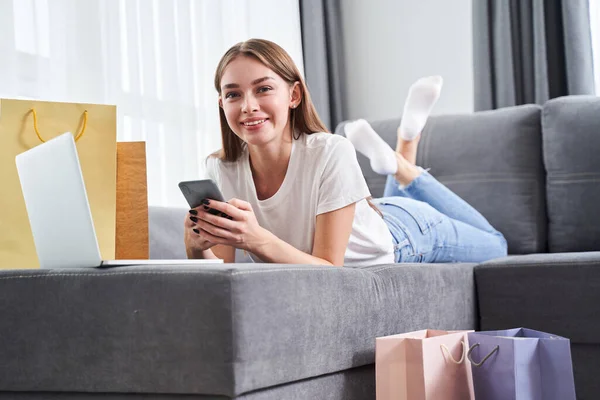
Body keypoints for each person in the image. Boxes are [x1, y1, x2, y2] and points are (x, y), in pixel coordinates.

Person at [184, 38, 507, 266]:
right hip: (362, 214)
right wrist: (196, 248)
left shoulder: (330, 150)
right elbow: (223, 272)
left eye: (264, 89)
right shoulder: (220, 168)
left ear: (294, 95)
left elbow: (329, 267)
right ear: (221, 103)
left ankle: (404, 155)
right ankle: (400, 151)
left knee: (498, 244)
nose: (248, 106)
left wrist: (255, 239)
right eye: (233, 95)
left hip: (406, 233)